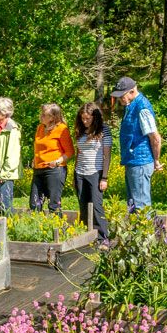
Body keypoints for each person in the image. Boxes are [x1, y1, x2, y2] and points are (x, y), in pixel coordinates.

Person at [110, 76, 162, 212]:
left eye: (122, 95)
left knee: (141, 207)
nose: (120, 99)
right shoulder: (131, 106)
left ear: (132, 91)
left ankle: (146, 234)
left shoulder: (142, 107)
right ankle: (135, 233)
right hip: (132, 161)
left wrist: (156, 160)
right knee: (132, 205)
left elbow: (155, 138)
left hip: (140, 162)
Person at [73, 102, 112, 243]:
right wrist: (74, 173)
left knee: (96, 206)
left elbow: (107, 155)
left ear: (94, 117)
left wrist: (104, 177)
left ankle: (103, 238)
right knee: (83, 205)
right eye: (83, 118)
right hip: (80, 173)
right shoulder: (80, 131)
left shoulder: (104, 131)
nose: (85, 121)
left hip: (95, 172)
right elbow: (78, 153)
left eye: (88, 118)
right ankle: (85, 236)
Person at [30, 103, 74, 213]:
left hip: (54, 170)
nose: (40, 116)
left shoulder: (61, 129)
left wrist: (57, 162)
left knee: (53, 204)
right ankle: (37, 227)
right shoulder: (40, 128)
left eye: (43, 115)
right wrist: (34, 160)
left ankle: (57, 228)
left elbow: (70, 151)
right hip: (38, 169)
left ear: (52, 117)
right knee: (34, 203)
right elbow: (38, 147)